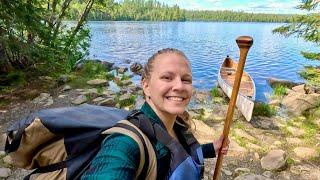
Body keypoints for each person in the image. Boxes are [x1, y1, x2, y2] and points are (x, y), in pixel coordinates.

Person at [81, 48, 229, 180]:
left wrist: (211, 148)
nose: (179, 86)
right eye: (167, 77)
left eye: (186, 79)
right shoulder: (124, 143)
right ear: (146, 85)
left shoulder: (177, 125)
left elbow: (177, 153)